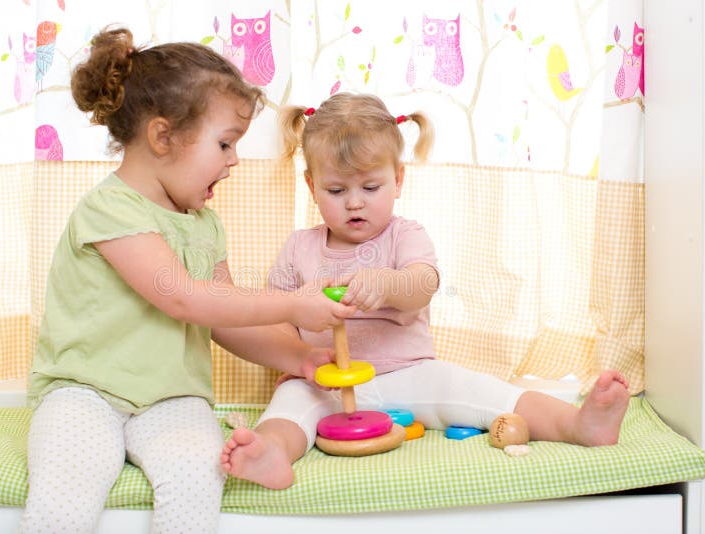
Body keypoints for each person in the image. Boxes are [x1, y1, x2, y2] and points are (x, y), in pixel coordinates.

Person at [19, 28, 356, 534]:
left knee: (199, 476)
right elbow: (183, 297)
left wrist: (298, 356)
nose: (235, 160)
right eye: (224, 143)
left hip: (173, 399)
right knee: (67, 486)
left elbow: (224, 316)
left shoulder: (204, 225)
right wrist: (292, 306)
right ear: (162, 137)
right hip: (84, 392)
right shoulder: (109, 210)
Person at [220, 93, 630, 490]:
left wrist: (388, 283)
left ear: (398, 179)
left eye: (370, 187)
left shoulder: (405, 236)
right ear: (311, 187)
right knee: (289, 408)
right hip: (322, 384)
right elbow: (277, 322)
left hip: (409, 373)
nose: (355, 204)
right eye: (337, 191)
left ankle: (578, 424)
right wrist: (300, 358)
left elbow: (423, 284)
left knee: (480, 391)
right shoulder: (298, 247)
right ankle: (271, 452)